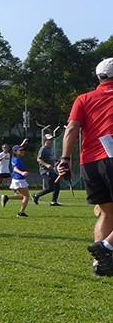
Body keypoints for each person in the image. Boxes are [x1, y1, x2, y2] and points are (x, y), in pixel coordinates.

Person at [58, 58, 113, 276]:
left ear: (99, 77)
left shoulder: (83, 99)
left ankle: (100, 265)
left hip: (90, 162)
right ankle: (106, 246)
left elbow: (72, 129)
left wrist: (65, 159)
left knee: (107, 212)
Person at [0, 144, 30, 217]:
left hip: (17, 179)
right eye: (20, 150)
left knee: (23, 196)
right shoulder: (16, 159)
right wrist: (22, 172)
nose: (23, 151)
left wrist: (23, 143)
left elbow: (16, 148)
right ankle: (21, 213)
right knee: (26, 196)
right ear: (15, 152)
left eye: (23, 150)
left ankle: (6, 197)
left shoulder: (15, 158)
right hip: (19, 179)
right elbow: (15, 169)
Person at [32, 134, 61, 206]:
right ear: (45, 140)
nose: (51, 141)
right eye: (49, 139)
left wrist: (57, 160)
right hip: (45, 171)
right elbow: (39, 159)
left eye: (52, 139)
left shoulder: (50, 149)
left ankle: (53, 201)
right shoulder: (43, 148)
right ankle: (36, 195)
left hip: (52, 170)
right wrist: (46, 165)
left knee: (57, 185)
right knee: (51, 187)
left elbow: (51, 158)